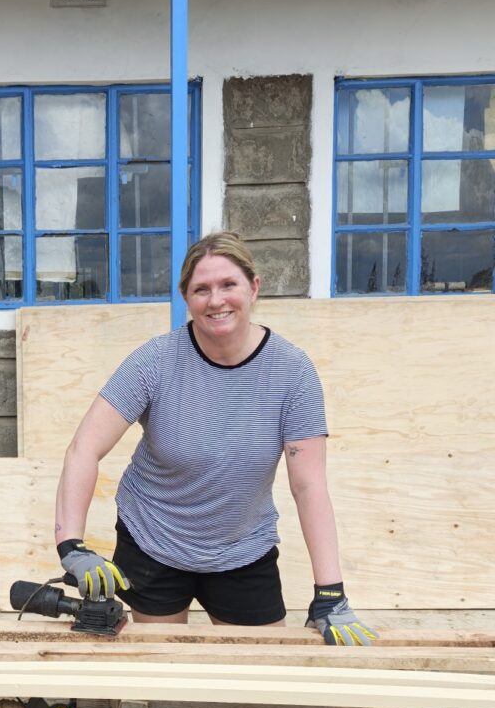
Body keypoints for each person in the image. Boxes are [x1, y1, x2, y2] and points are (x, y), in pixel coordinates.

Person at [54, 231, 377, 646]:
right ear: (186, 298)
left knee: (260, 673)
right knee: (159, 671)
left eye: (229, 285)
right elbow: (84, 448)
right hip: (155, 540)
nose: (216, 299)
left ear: (254, 287)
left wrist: (330, 592)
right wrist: (71, 545)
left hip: (241, 547)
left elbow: (309, 483)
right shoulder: (154, 362)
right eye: (201, 289)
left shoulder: (292, 373)